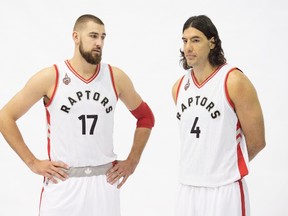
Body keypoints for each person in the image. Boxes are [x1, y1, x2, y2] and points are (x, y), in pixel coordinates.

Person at [0, 14, 154, 216]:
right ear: (76, 36)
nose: (99, 43)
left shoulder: (116, 77)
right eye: (93, 36)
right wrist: (32, 162)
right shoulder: (51, 76)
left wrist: (133, 161)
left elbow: (146, 117)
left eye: (103, 37)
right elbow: (5, 117)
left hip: (104, 182)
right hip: (64, 183)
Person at [172, 15, 265, 216]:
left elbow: (257, 141)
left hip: (224, 190)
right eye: (185, 40)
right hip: (188, 188)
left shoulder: (234, 80)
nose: (188, 47)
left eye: (195, 40)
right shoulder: (178, 87)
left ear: (212, 42)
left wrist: (225, 164)